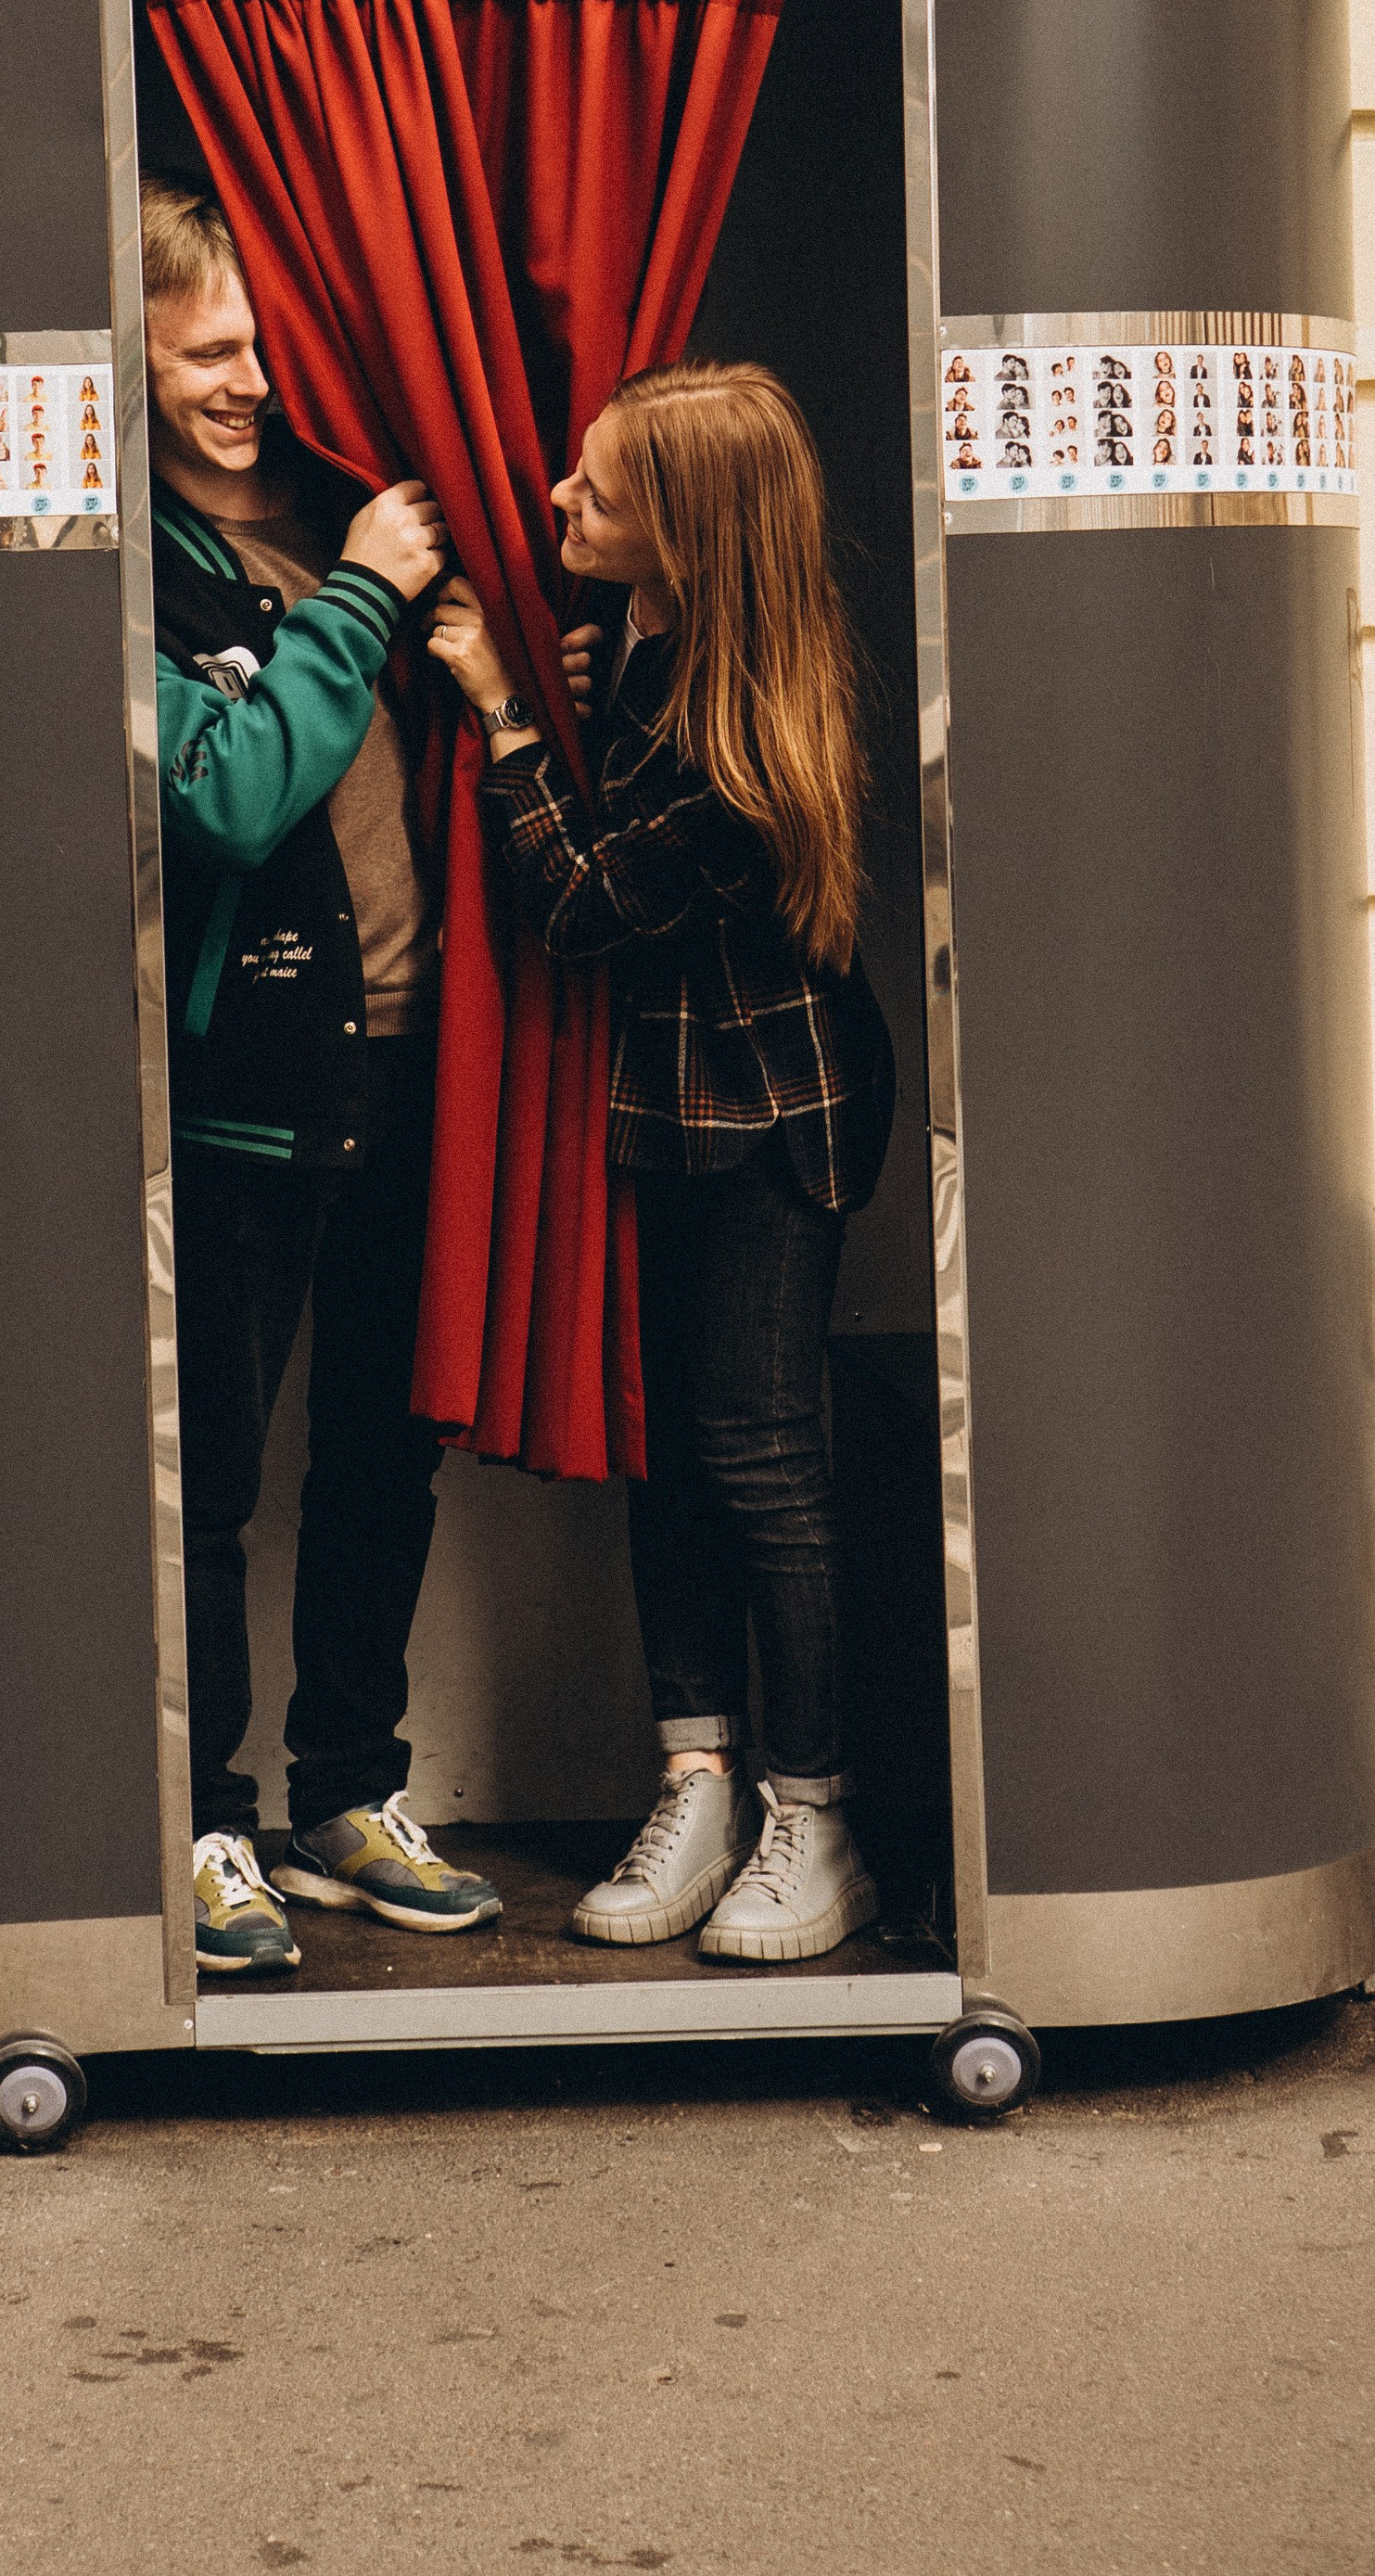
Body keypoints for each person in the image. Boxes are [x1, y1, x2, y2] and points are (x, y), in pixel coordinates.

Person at [426, 361, 897, 1963]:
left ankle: (814, 1817)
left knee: (762, 1455)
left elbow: (579, 905)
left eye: (597, 493)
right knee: (673, 1449)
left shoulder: (739, 738)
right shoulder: (649, 641)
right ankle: (700, 1780)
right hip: (673, 1100)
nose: (558, 501)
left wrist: (501, 712)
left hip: (771, 1111)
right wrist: (588, 674)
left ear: (689, 543)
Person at [143, 175, 502, 1976]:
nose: (248, 382)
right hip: (241, 1081)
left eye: (270, 345)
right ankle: (201, 1826)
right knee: (206, 1470)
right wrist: (360, 594)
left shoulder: (363, 496)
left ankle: (345, 1791)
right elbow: (224, 794)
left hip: (421, 1055)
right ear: (123, 341)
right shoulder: (134, 556)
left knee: (385, 1443)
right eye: (210, 348)